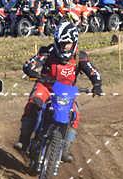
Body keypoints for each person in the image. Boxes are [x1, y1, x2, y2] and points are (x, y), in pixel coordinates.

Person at [15, 22, 103, 163]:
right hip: (46, 86)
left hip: (66, 92)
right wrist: (30, 69)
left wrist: (97, 84)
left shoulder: (80, 57)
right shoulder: (48, 51)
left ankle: (65, 148)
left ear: (74, 42)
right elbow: (32, 62)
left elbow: (93, 72)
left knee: (75, 114)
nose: (64, 47)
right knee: (34, 103)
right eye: (61, 43)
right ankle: (24, 139)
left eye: (67, 44)